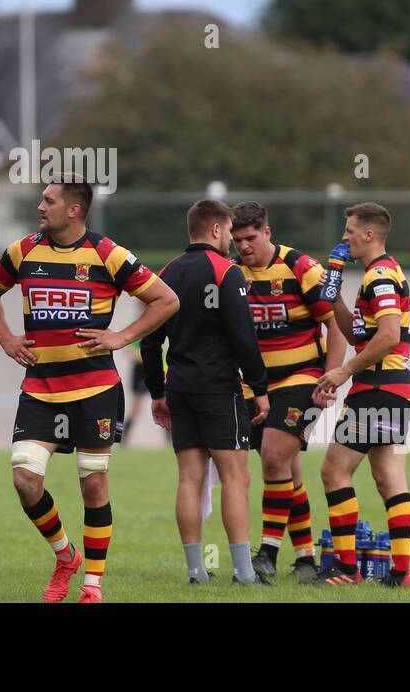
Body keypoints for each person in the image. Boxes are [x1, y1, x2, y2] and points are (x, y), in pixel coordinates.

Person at [0, 180, 179, 603]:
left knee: (93, 486)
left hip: (96, 390)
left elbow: (166, 300)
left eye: (48, 201)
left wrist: (122, 336)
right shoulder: (23, 251)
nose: (40, 206)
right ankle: (66, 556)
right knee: (25, 481)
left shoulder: (108, 254)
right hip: (41, 388)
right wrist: (5, 338)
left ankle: (92, 586)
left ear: (73, 209)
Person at [140, 200, 270, 586]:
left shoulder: (166, 274)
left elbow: (148, 342)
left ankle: (196, 571)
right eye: (230, 231)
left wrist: (157, 391)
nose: (232, 239)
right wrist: (260, 388)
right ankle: (244, 572)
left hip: (179, 387)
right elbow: (243, 336)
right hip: (219, 388)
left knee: (189, 479)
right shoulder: (226, 272)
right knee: (235, 478)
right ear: (216, 230)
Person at [230, 201, 347, 583]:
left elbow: (336, 327)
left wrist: (329, 379)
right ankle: (306, 558)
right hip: (256, 387)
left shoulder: (301, 268)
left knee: (273, 456)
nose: (244, 246)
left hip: (302, 379)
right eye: (237, 239)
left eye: (250, 237)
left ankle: (267, 553)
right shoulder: (232, 274)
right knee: (286, 470)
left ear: (267, 232)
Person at [310, 202, 410, 588]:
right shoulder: (381, 272)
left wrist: (343, 370)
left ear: (369, 235)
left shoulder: (381, 276)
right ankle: (401, 575)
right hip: (397, 390)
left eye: (349, 231)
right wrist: (335, 295)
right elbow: (360, 335)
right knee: (390, 479)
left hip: (376, 389)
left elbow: (387, 336)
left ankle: (346, 569)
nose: (344, 238)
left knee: (333, 471)